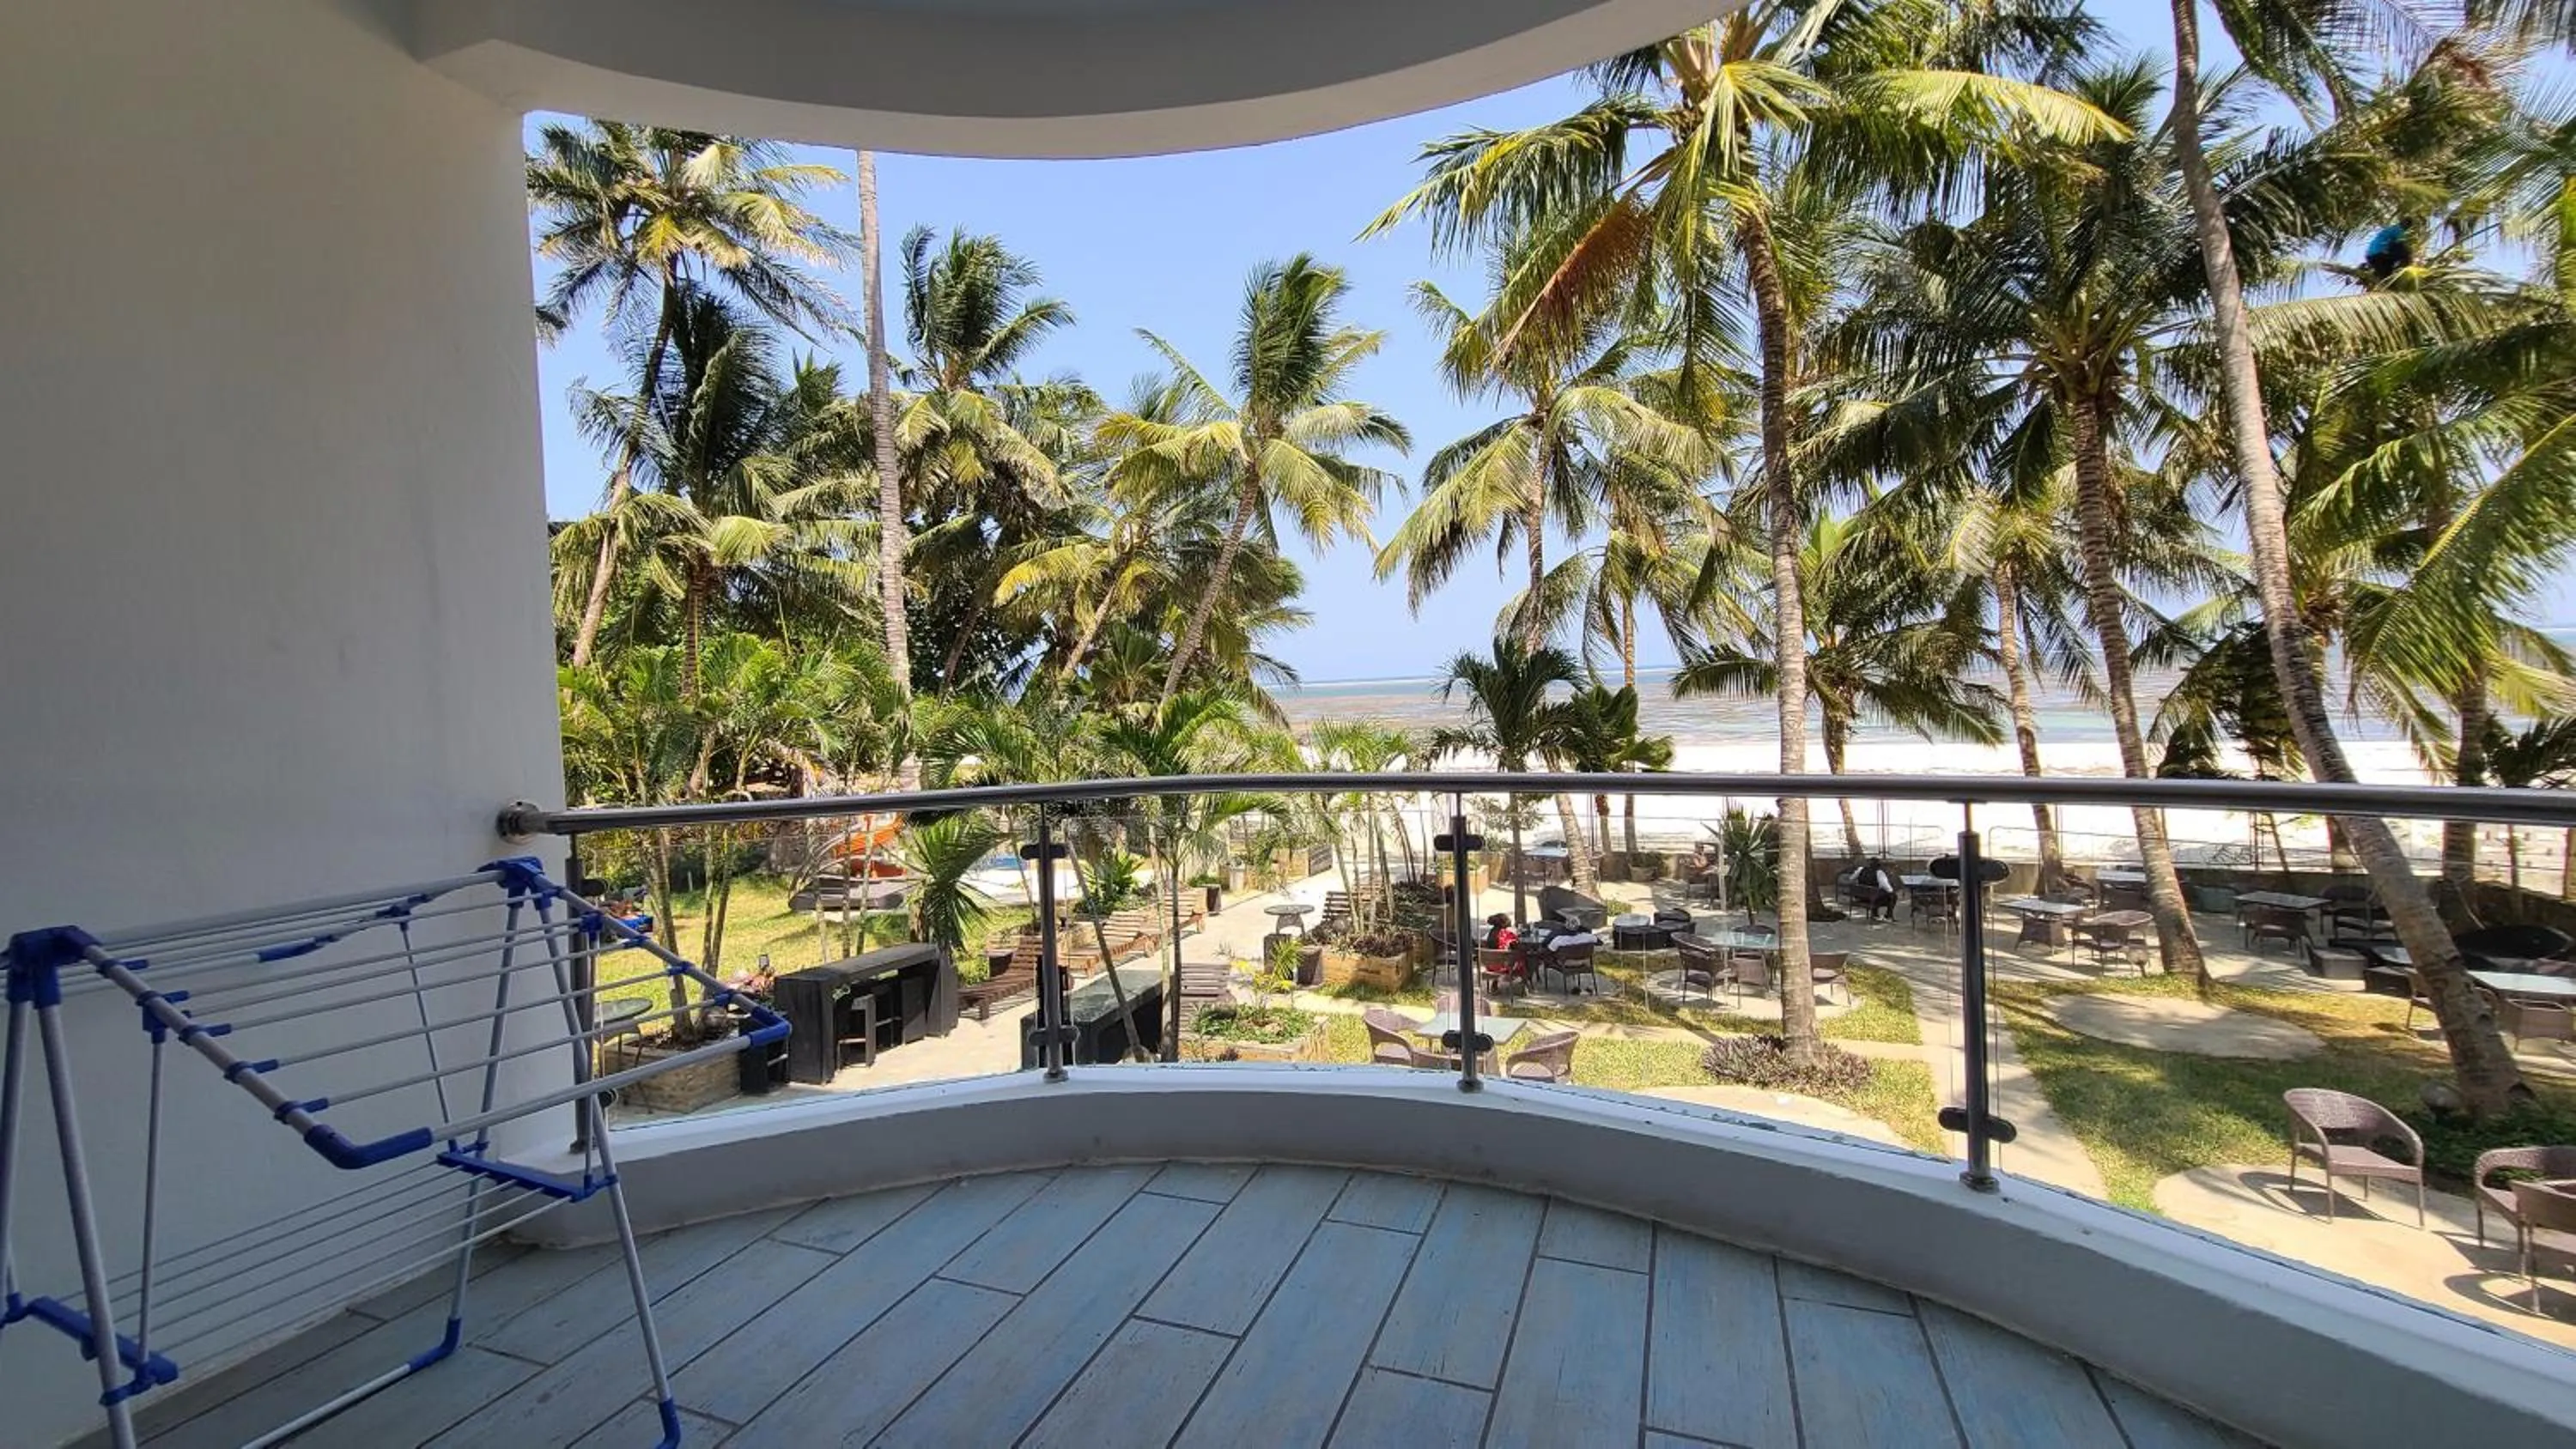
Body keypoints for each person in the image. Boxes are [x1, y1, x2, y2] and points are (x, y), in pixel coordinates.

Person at [1856, 857, 1899, 923]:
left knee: (1874, 892)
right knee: (1893, 896)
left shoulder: (1861, 870)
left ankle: (1875, 914)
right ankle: (1888, 916)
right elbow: (1886, 887)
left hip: (1861, 897)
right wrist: (1892, 891)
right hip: (1873, 899)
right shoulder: (1879, 873)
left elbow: (1851, 878)